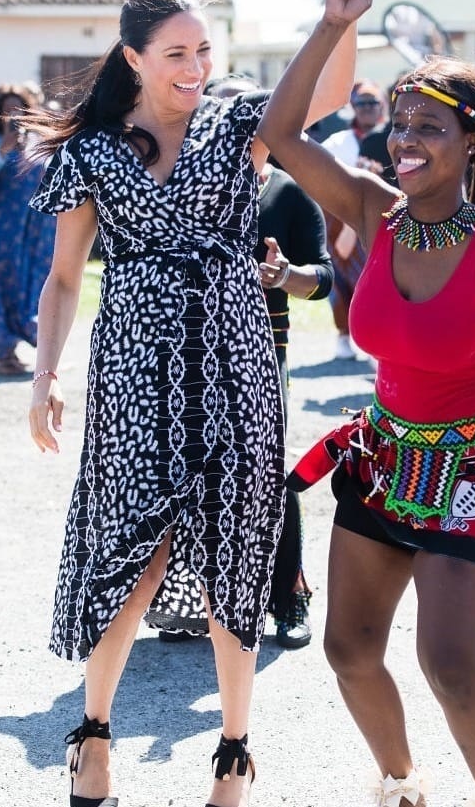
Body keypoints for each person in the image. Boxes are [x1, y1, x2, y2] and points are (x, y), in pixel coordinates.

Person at [24, 0, 379, 806]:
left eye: (204, 51)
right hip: (134, 374)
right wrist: (44, 378)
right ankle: (95, 737)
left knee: (235, 556)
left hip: (236, 367)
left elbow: (322, 97)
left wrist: (339, 19)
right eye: (176, 53)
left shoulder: (237, 125)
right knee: (132, 556)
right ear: (135, 56)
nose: (195, 68)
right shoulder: (94, 155)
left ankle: (232, 755)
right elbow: (66, 277)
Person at [258, 0, 475, 807]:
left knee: (449, 664)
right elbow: (278, 135)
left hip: (472, 472)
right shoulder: (374, 213)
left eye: (428, 127)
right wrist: (335, 23)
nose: (404, 141)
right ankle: (402, 784)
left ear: (473, 141)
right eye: (400, 125)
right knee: (347, 649)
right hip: (382, 462)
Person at [147, 71, 335, 650]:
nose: (234, 122)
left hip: (259, 355)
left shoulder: (286, 190)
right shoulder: (175, 186)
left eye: (248, 111)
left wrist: (285, 276)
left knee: (264, 479)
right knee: (184, 475)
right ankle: (192, 600)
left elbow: (325, 278)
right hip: (183, 355)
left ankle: (288, 600)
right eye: (221, 110)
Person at [0, 84, 56, 375]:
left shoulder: (37, 143)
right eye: (7, 108)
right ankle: (4, 354)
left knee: (30, 286)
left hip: (31, 236)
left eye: (19, 107)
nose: (13, 114)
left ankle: (25, 349)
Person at [323, 78, 386, 360]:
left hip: (382, 217)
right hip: (341, 217)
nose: (368, 109)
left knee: (378, 278)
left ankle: (377, 337)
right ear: (353, 107)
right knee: (339, 277)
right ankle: (343, 334)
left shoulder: (395, 139)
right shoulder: (338, 142)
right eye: (362, 103)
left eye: (373, 103)